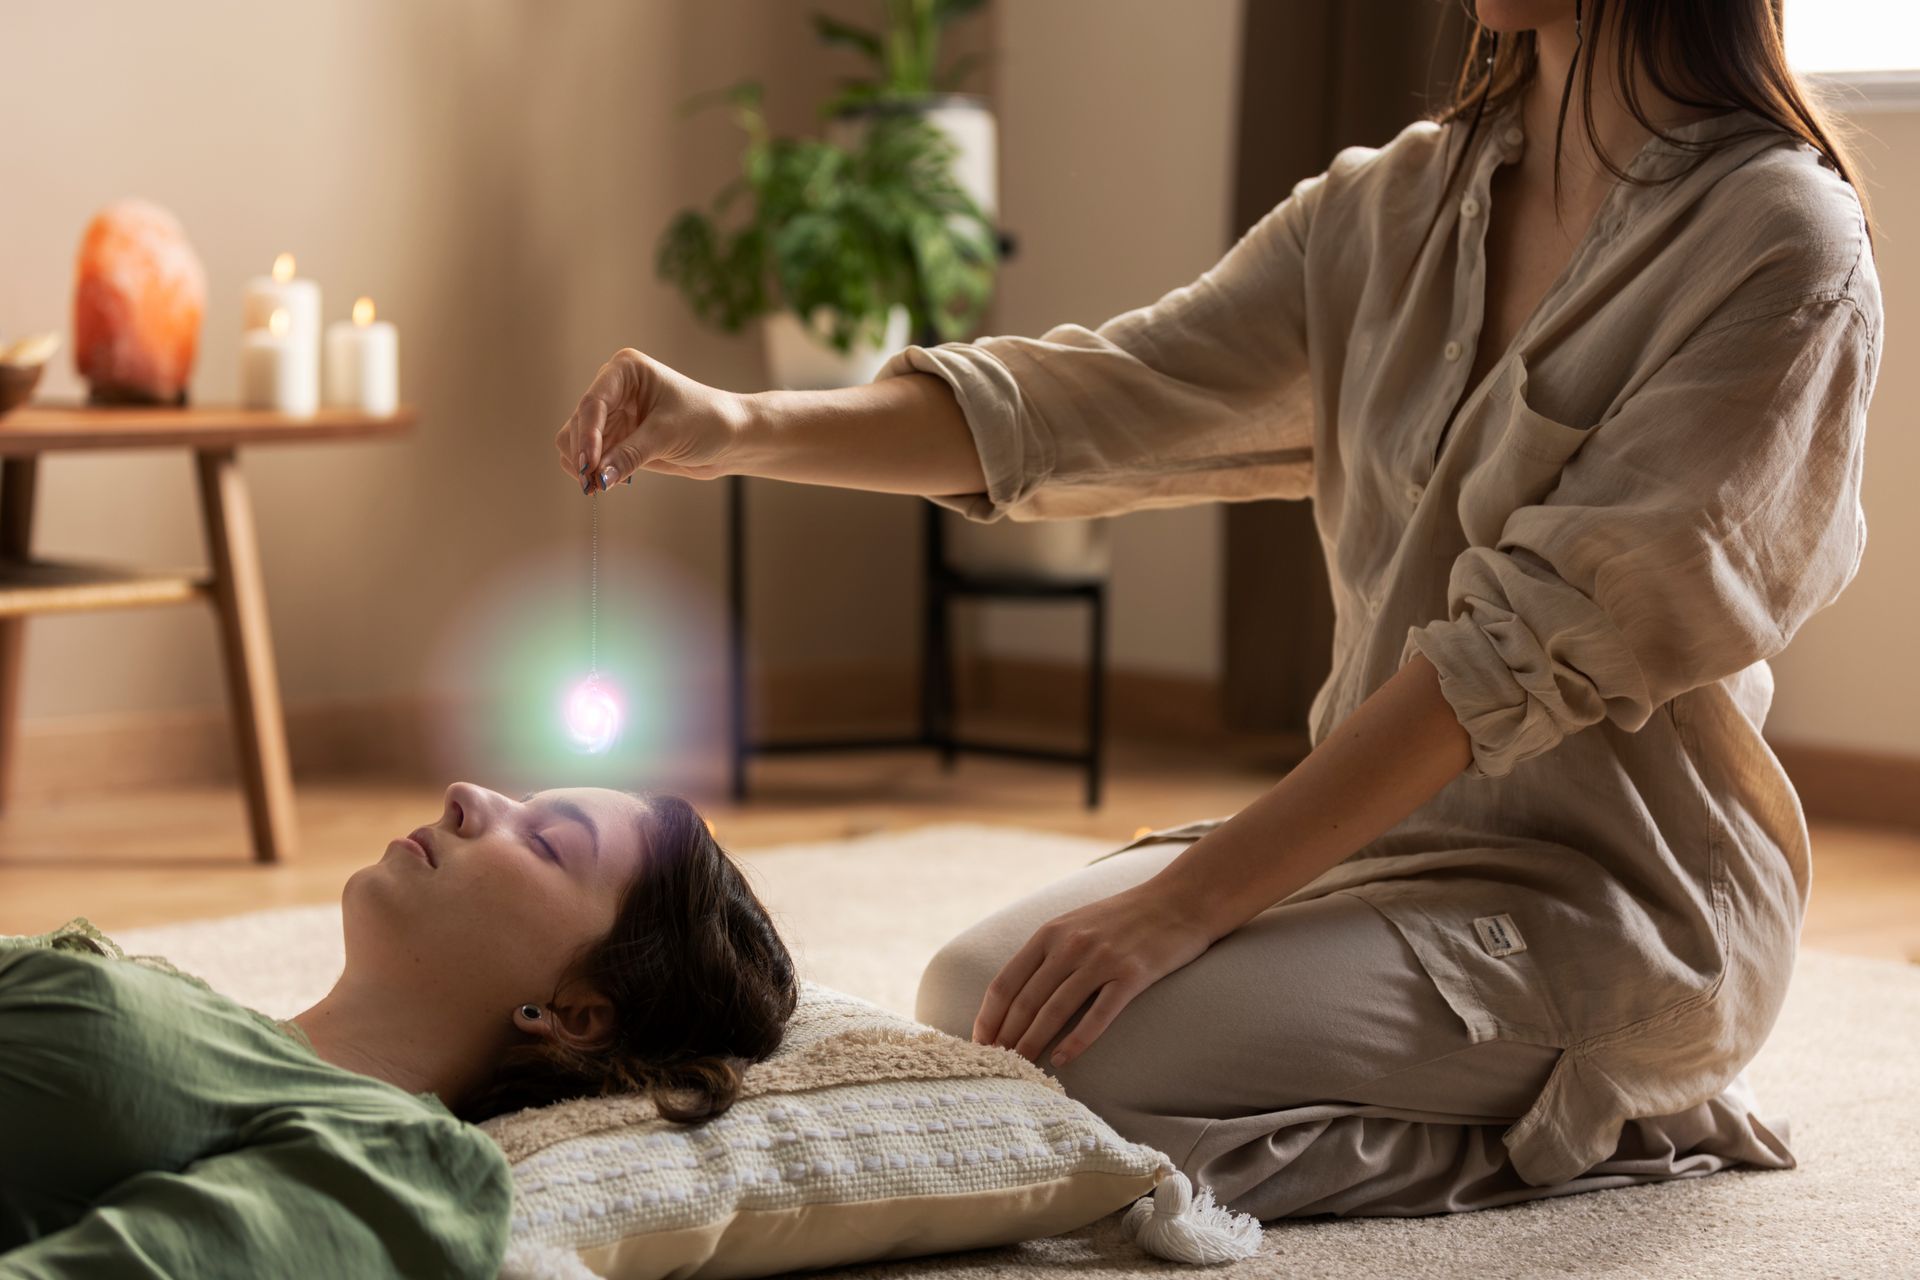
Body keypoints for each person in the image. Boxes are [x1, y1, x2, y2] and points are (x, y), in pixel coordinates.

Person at [555, 0, 1880, 1220]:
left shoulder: (1777, 242)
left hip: (1617, 903)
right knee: (982, 1004)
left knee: (1102, 1078)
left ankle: (1612, 1125)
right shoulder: (1396, 203)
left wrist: (1185, 904)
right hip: (1371, 850)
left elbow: (1506, 658)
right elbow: (1097, 398)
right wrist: (732, 423)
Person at [0, 786, 798, 1276]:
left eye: (545, 841)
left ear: (576, 1014)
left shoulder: (406, 1162)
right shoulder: (210, 1019)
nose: (465, 793)